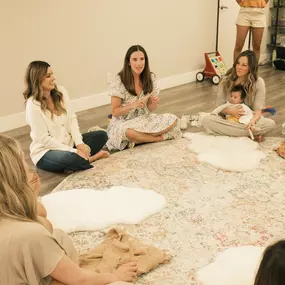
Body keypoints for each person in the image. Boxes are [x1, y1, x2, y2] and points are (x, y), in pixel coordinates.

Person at [0, 134, 138, 285]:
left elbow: (41, 221)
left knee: (52, 232)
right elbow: (80, 280)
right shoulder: (31, 234)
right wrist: (114, 277)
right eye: (22, 160)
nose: (27, 165)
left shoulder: (12, 220)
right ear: (15, 175)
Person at [24, 61, 109, 173]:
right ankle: (90, 158)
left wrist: (79, 143)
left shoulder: (61, 91)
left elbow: (72, 119)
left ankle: (79, 161)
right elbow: (43, 139)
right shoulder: (33, 104)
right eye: (48, 76)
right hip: (46, 151)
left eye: (52, 74)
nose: (53, 78)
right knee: (69, 158)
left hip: (69, 144)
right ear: (37, 80)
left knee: (102, 135)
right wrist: (73, 151)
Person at [106, 45, 182, 151]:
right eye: (135, 59)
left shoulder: (150, 78)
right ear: (128, 62)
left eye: (142, 59)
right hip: (123, 122)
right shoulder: (119, 80)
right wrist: (133, 105)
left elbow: (151, 108)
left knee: (173, 119)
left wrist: (154, 103)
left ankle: (140, 139)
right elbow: (115, 112)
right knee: (127, 132)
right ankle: (158, 138)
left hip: (143, 120)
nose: (139, 63)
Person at [202, 50, 276, 141]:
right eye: (238, 63)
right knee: (206, 120)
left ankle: (234, 132)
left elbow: (257, 111)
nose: (239, 67)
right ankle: (247, 134)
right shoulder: (225, 81)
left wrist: (252, 122)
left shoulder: (258, 82)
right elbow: (219, 107)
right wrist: (230, 111)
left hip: (248, 119)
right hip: (227, 119)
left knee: (270, 124)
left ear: (251, 68)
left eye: (244, 65)